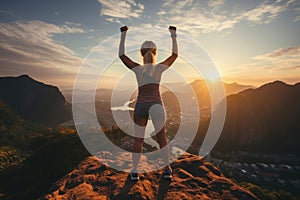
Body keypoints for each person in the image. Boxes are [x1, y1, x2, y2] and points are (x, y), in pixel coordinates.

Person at [119, 25, 178, 180]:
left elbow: (122, 56)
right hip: (157, 105)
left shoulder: (138, 69)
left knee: (138, 139)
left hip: (140, 106)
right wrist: (173, 35)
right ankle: (166, 171)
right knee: (162, 139)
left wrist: (123, 34)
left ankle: (134, 171)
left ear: (141, 53)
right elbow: (175, 55)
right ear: (155, 53)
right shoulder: (159, 69)